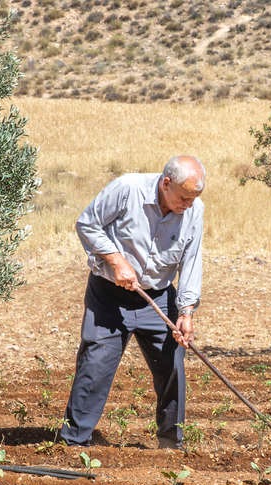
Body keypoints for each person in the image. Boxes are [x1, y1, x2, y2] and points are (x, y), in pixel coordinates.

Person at [60, 155, 205, 450]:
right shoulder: (127, 188)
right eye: (183, 197)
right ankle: (74, 443)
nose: (187, 205)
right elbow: (87, 224)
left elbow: (191, 261)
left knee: (172, 366)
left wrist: (186, 312)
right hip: (109, 297)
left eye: (193, 199)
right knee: (95, 366)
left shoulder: (194, 210)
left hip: (160, 298)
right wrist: (115, 260)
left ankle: (170, 444)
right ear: (166, 183)